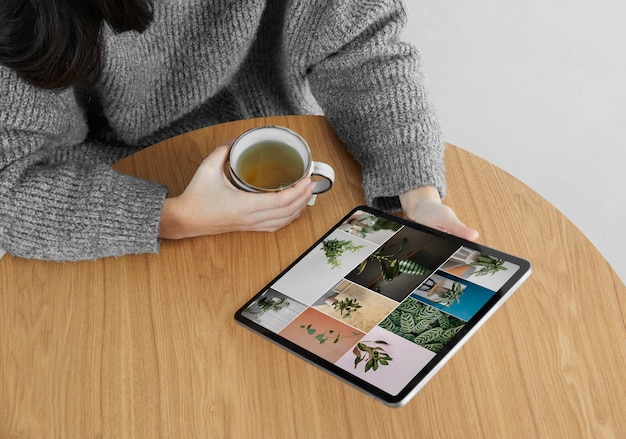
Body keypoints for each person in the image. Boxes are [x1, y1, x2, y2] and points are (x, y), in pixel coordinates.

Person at [0, 0, 478, 261]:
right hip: (106, 197)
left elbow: (362, 47)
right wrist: (175, 218)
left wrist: (418, 196)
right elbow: (7, 183)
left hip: (271, 157)